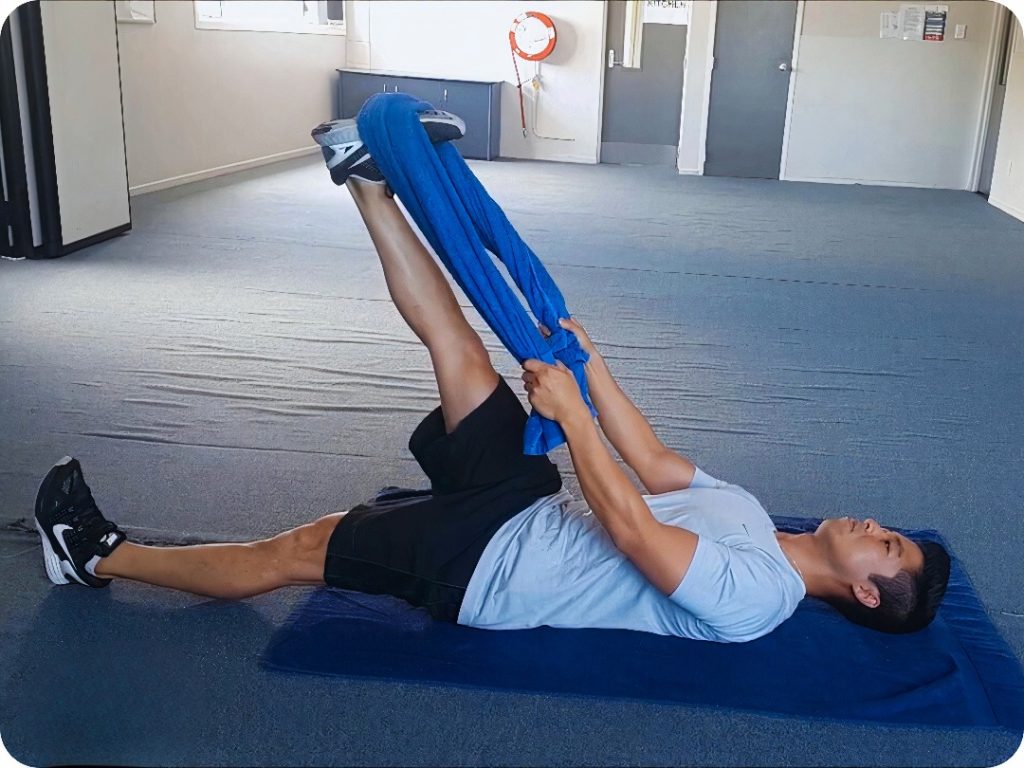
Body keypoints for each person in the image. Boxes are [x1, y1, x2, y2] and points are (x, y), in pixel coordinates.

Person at [33, 114, 950, 642]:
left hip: (490, 570)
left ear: (866, 592)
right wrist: (591, 365)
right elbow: (654, 463)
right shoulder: (754, 516)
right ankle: (366, 179)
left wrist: (574, 418)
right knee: (463, 353)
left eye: (887, 548)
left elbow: (633, 529)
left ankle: (96, 556)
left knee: (302, 548)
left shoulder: (758, 600)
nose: (875, 527)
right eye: (891, 531)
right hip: (533, 506)